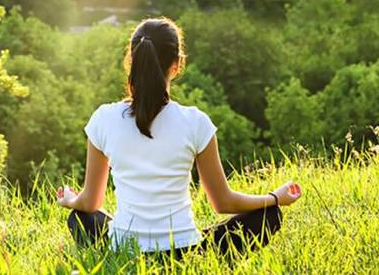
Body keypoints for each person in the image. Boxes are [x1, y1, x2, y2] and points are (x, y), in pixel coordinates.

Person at [57, 17, 302, 260]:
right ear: (176, 65)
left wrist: (70, 200)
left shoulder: (104, 118)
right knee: (268, 215)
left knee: (80, 217)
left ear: (131, 62)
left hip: (125, 252)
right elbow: (223, 202)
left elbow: (89, 203)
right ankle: (203, 253)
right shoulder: (195, 122)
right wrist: (274, 198)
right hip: (186, 253)